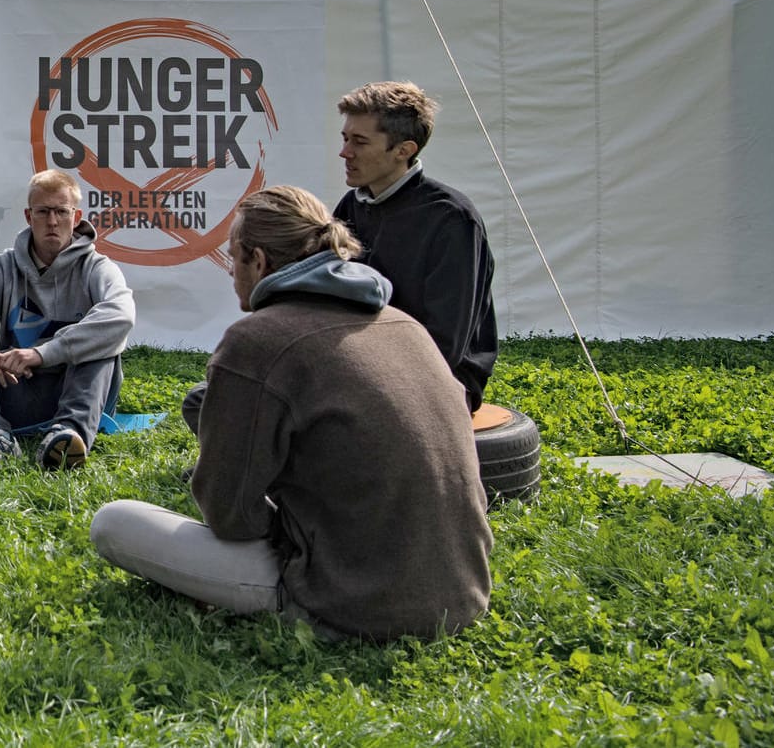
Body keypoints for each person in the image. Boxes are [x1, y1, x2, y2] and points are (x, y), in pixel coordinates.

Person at [90, 186, 492, 642]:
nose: (230, 273)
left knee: (114, 523)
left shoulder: (257, 340)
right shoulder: (405, 324)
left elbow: (232, 517)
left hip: (351, 601)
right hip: (462, 593)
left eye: (232, 258)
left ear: (258, 261)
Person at [0, 169, 135, 472]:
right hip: (18, 390)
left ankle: (67, 436)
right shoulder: (4, 267)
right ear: (28, 216)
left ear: (76, 218)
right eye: (43, 212)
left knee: (102, 338)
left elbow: (121, 315)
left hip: (81, 393)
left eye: (61, 212)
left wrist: (40, 353)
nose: (52, 221)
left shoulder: (97, 268)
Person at [332, 81, 497, 412]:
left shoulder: (452, 219)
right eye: (345, 138)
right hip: (358, 366)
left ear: (403, 150)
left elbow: (444, 345)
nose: (345, 152)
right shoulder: (351, 205)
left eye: (360, 142)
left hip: (439, 379)